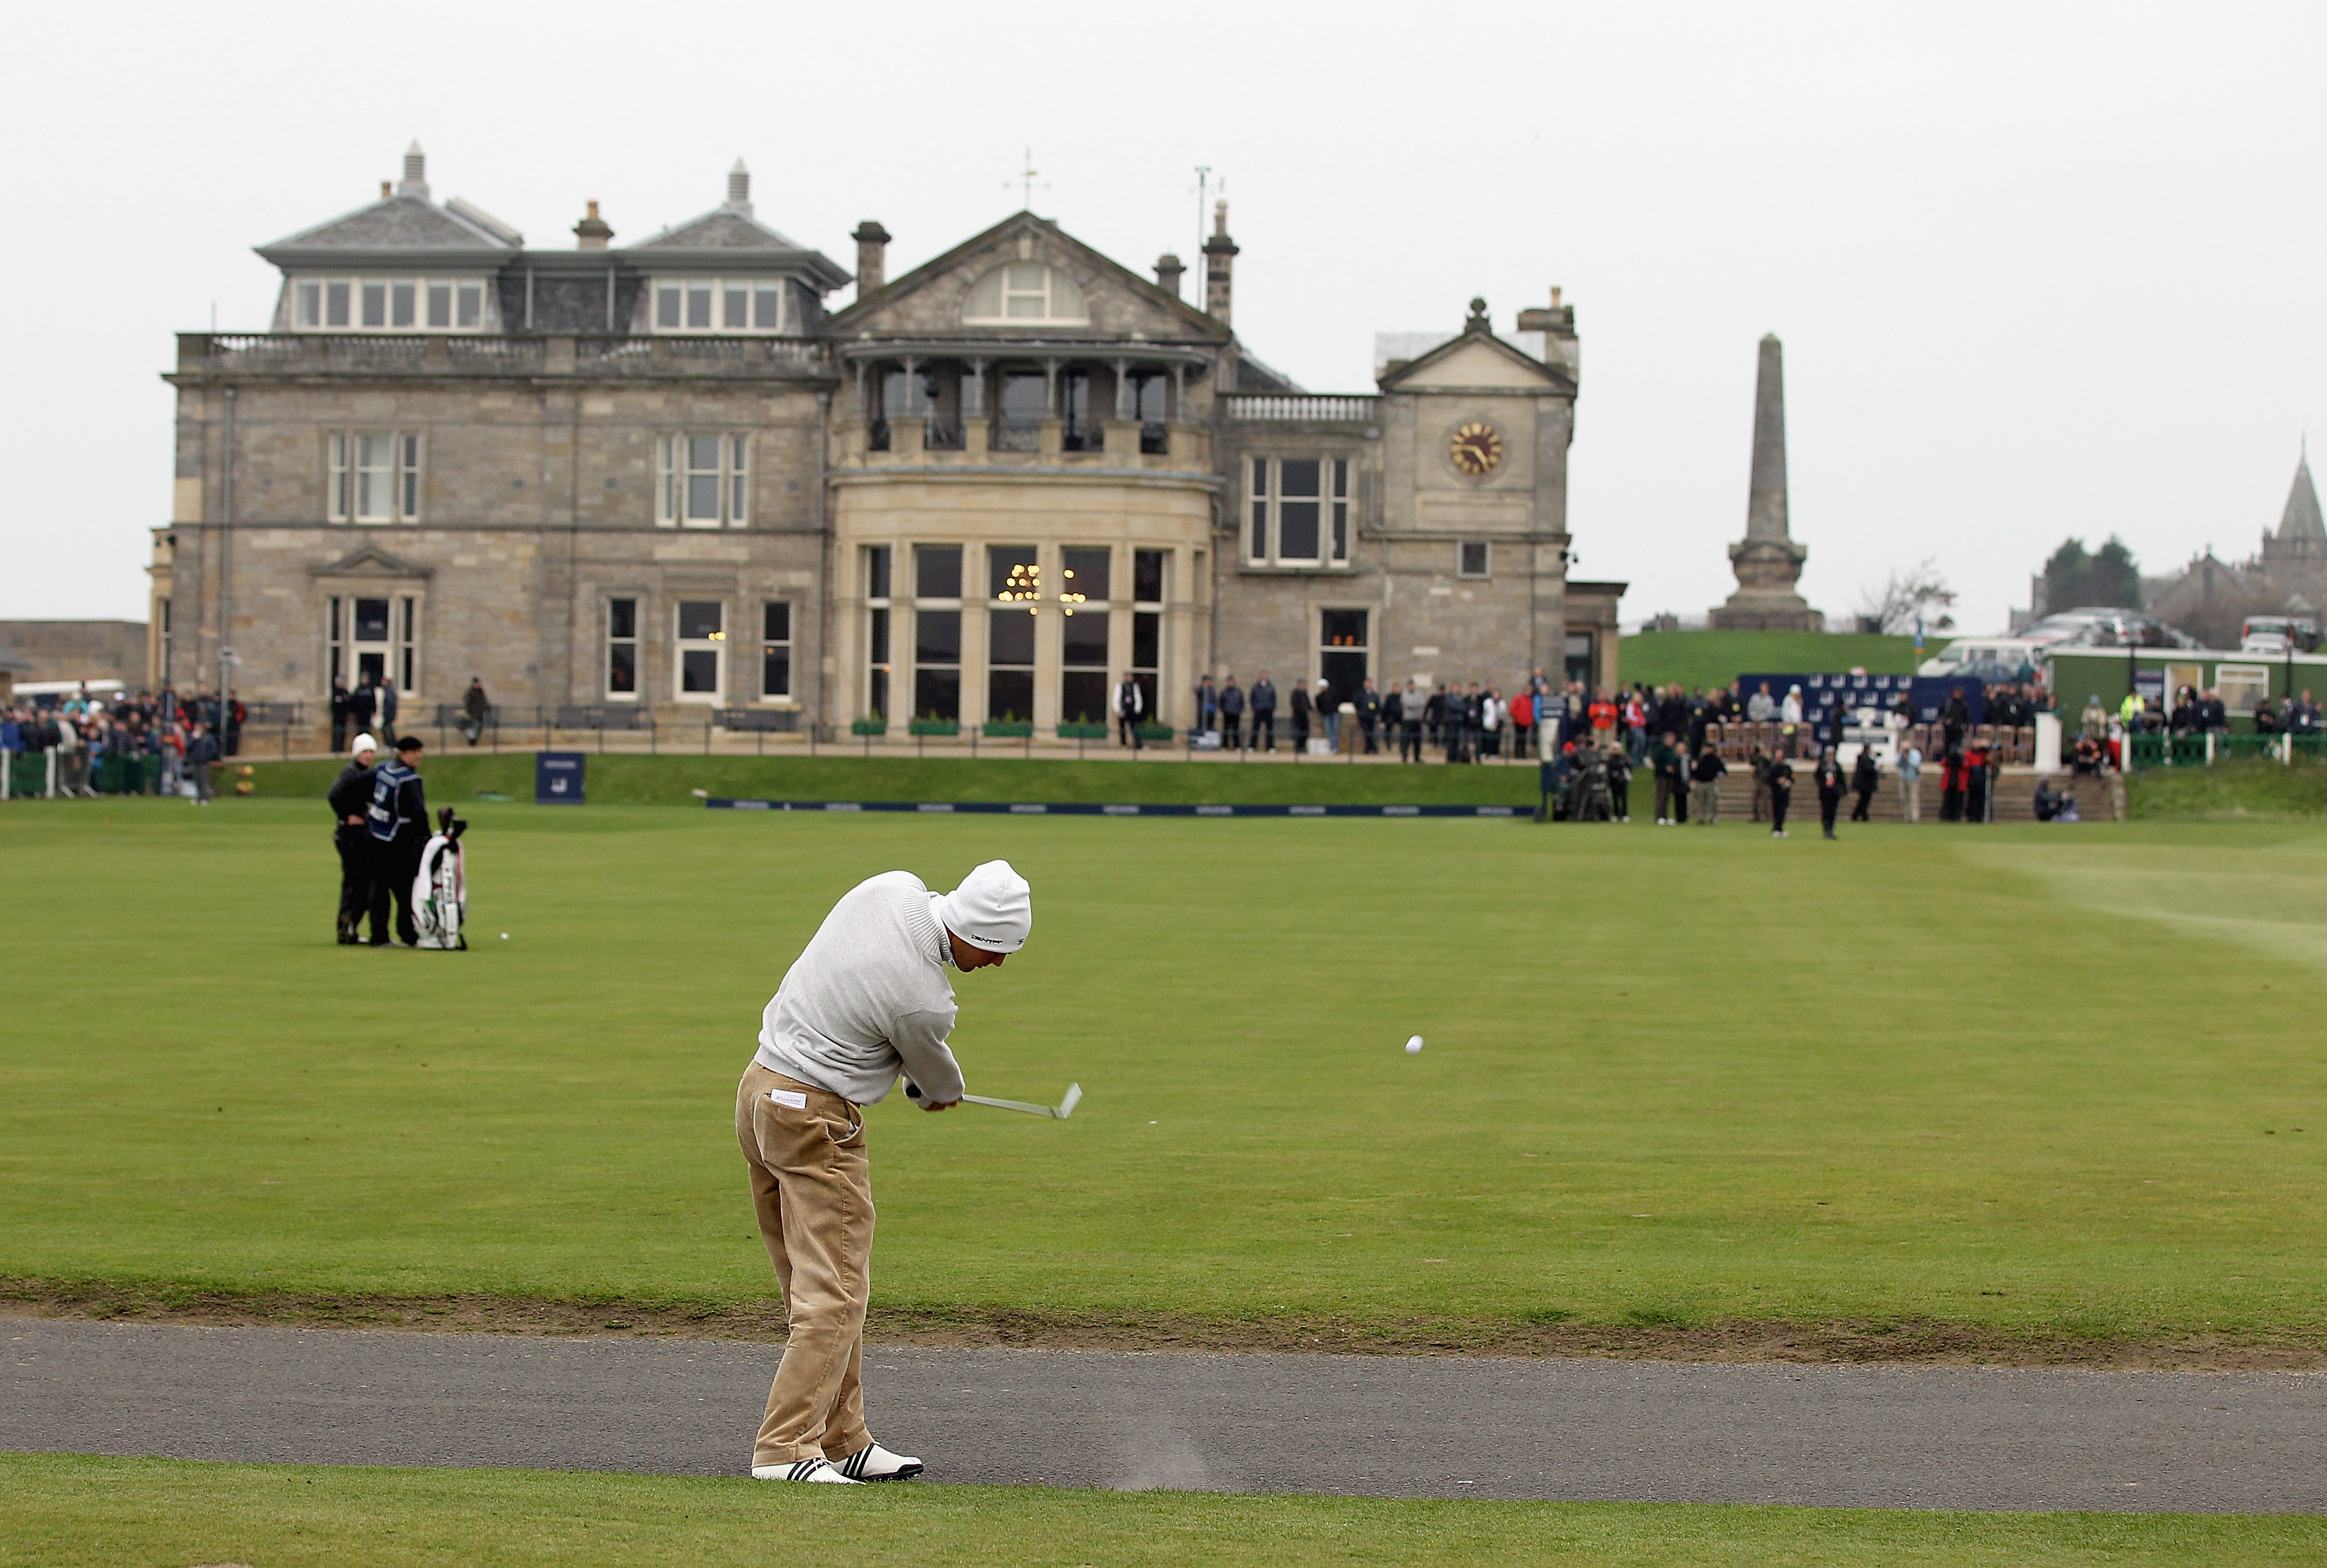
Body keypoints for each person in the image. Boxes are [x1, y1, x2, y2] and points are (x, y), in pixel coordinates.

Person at [738, 859, 1031, 1484]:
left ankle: (842, 1439)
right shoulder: (925, 1001)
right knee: (837, 1292)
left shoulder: (891, 887)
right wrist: (936, 1089)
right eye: (998, 951)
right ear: (973, 935)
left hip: (761, 1090)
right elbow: (936, 1076)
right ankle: (784, 1447)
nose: (999, 964)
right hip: (816, 1119)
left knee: (814, 1287)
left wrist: (911, 1075)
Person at [365, 736, 429, 947]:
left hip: (375, 834)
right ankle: (407, 935)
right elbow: (418, 814)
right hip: (397, 842)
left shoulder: (382, 769)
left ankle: (379, 934)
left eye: (420, 751)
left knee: (378, 889)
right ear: (402, 754)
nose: (418, 755)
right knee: (404, 892)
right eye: (414, 752)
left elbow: (367, 790)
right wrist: (426, 839)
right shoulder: (408, 780)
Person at [330, 734, 379, 945]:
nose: (368, 756)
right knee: (355, 882)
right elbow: (334, 795)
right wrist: (346, 816)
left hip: (359, 835)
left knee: (361, 882)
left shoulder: (363, 774)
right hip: (351, 836)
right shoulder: (351, 774)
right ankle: (346, 927)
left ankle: (350, 928)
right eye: (365, 752)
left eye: (371, 752)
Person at [1648, 731, 1684, 824]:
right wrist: (1665, 767)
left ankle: (1665, 816)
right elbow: (1656, 761)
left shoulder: (1672, 750)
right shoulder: (1660, 749)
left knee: (1667, 797)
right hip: (1661, 776)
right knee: (1661, 796)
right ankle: (1659, 816)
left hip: (1670, 777)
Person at [184, 720, 220, 806]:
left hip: (204, 762)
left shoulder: (208, 737)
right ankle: (199, 798)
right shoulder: (193, 737)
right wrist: (193, 740)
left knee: (204, 781)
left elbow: (213, 749)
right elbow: (188, 748)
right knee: (197, 781)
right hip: (195, 761)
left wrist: (207, 757)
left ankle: (205, 798)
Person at [1814, 745, 1845, 840]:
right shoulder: (1822, 766)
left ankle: (1831, 829)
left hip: (1834, 793)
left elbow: (1841, 779)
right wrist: (1823, 786)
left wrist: (1841, 789)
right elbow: (1818, 777)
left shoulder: (1837, 766)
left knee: (1833, 812)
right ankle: (1827, 829)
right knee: (1826, 812)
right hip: (1825, 793)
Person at [1690, 744, 1726, 825]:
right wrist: (1693, 779)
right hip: (1700, 783)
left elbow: (1723, 771)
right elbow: (1694, 772)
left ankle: (1713, 818)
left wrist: (1718, 777)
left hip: (1711, 783)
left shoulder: (1716, 760)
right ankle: (1701, 818)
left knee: (1712, 802)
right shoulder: (1700, 760)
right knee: (1701, 802)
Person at [1112, 673, 1144, 749]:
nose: (1129, 678)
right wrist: (1118, 710)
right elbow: (1116, 698)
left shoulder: (1135, 686)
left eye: (1130, 677)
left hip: (1132, 710)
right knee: (1122, 728)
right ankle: (1124, 744)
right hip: (1123, 710)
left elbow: (1138, 698)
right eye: (1128, 677)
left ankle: (1138, 745)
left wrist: (1137, 709)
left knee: (1134, 727)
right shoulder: (1120, 686)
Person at [1248, 671, 1277, 753]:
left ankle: (1270, 747)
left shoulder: (1271, 687)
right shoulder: (1256, 687)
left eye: (1265, 676)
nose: (1264, 677)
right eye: (1262, 676)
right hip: (1258, 710)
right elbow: (1252, 698)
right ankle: (1252, 746)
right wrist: (1255, 707)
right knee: (1255, 729)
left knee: (1270, 730)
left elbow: (1274, 699)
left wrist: (1272, 707)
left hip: (1268, 710)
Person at [1767, 751, 1794, 838]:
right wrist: (1777, 782)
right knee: (1776, 811)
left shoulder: (1787, 768)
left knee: (1782, 811)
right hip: (1776, 793)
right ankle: (1776, 828)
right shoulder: (1773, 768)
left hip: (1785, 794)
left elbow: (1792, 779)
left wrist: (1786, 782)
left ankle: (1779, 828)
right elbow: (1769, 780)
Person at [1399, 680, 1427, 763]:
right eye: (1411, 686)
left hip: (1417, 720)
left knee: (1417, 740)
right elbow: (1407, 703)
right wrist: (1415, 705)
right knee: (1405, 740)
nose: (1412, 687)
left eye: (1413, 685)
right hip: (1407, 720)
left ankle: (1417, 757)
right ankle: (1405, 757)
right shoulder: (1404, 694)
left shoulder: (1419, 694)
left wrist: (1414, 705)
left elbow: (1422, 703)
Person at [1850, 746, 1880, 822]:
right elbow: (1869, 769)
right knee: (1864, 800)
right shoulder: (1865, 759)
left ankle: (1860, 815)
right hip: (1865, 784)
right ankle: (1860, 815)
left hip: (1864, 784)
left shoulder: (1863, 758)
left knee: (1864, 800)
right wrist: (1876, 769)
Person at [1897, 739, 1924, 823]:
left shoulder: (1915, 754)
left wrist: (1908, 758)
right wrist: (1902, 756)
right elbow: (1897, 764)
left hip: (1914, 779)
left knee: (1913, 798)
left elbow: (1916, 764)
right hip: (1903, 779)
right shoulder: (1900, 754)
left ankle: (1914, 817)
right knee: (1904, 799)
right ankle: (1907, 817)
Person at [1217, 674, 1244, 752]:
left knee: (1236, 730)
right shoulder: (1224, 692)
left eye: (1232, 681)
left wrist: (1239, 710)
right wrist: (1223, 710)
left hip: (1236, 713)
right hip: (1227, 713)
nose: (1230, 683)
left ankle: (1237, 746)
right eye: (1229, 682)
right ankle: (1224, 746)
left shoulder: (1238, 692)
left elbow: (1242, 703)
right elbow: (1221, 702)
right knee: (1226, 730)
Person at [1604, 745, 1632, 822]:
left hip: (1623, 781)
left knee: (1623, 798)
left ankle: (1625, 814)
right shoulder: (1610, 760)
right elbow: (1609, 771)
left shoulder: (1624, 759)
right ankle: (1616, 814)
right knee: (1615, 798)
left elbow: (1628, 769)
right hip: (1614, 781)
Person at [461, 678, 491, 746]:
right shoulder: (471, 692)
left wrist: (486, 707)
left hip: (480, 713)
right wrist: (468, 712)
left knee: (480, 728)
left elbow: (484, 701)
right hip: (474, 713)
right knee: (476, 726)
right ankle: (473, 742)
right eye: (476, 683)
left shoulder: (481, 692)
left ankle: (474, 741)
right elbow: (468, 703)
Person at [1357, 678, 1381, 755]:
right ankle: (1371, 748)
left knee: (1371, 733)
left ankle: (1370, 748)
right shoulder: (1360, 694)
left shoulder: (1374, 695)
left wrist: (1377, 713)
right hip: (1363, 717)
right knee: (1366, 733)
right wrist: (1360, 711)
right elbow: (1356, 703)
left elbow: (1378, 705)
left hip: (1372, 717)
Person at [1749, 745, 1772, 822]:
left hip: (1766, 782)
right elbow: (1752, 762)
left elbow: (1770, 762)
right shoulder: (1757, 758)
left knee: (1767, 801)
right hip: (1758, 781)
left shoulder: (1767, 758)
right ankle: (1756, 817)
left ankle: (1768, 817)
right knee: (1755, 800)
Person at [329, 678, 352, 755]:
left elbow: (348, 703)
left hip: (343, 715)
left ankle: (342, 747)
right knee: (336, 731)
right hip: (337, 716)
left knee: (343, 732)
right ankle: (336, 748)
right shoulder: (335, 692)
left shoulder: (345, 692)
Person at [1289, 678, 1312, 752]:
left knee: (1305, 732)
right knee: (1298, 732)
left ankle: (1302, 747)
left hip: (1304, 716)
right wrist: (1301, 709)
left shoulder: (1305, 693)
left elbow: (1308, 704)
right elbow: (1294, 704)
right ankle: (1298, 748)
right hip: (1298, 716)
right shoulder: (1295, 694)